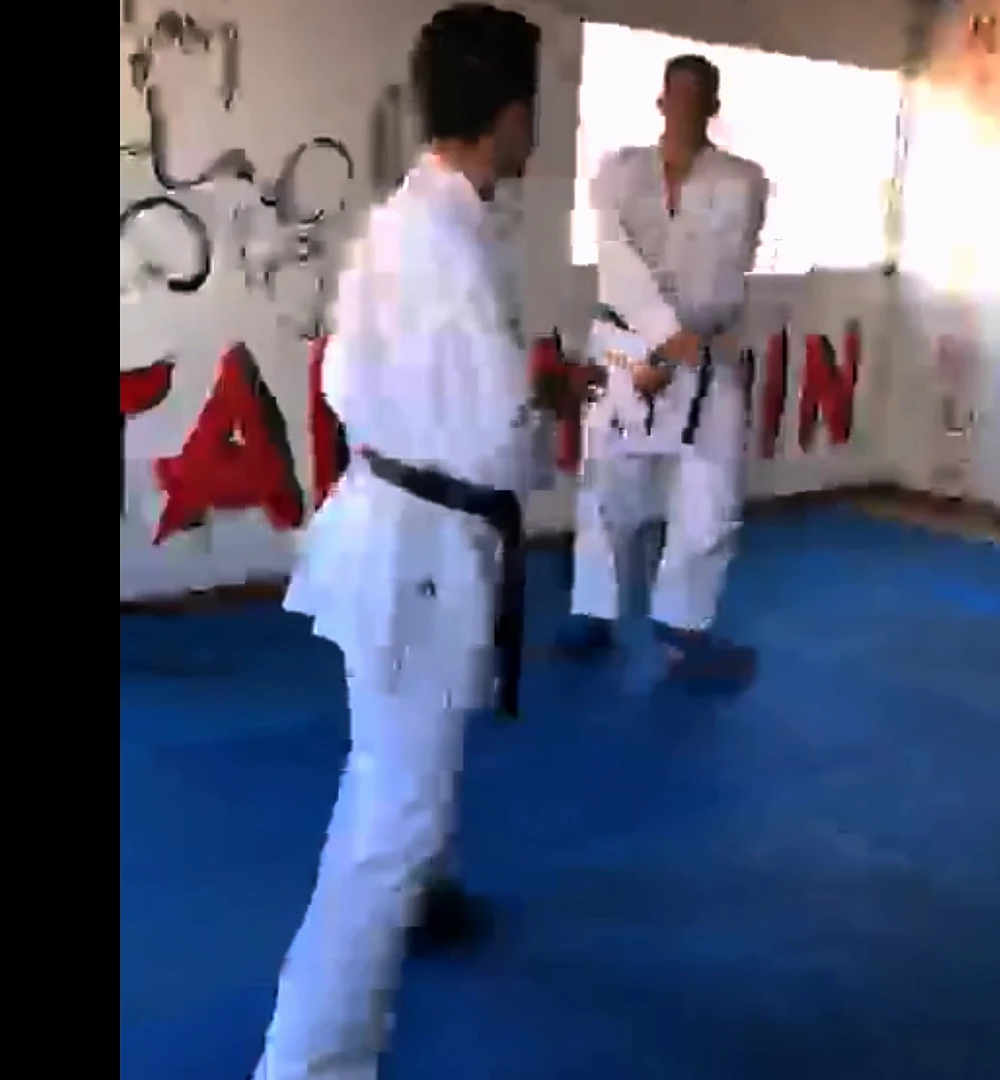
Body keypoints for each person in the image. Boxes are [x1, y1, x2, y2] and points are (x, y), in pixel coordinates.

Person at [252, 5, 549, 1078]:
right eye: (533, 107)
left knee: (392, 776)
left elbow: (347, 375)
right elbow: (498, 441)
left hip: (386, 523)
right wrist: (539, 414)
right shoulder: (450, 245)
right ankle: (306, 1064)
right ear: (510, 113)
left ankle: (424, 895)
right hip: (421, 552)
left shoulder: (404, 216)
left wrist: (486, 405)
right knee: (390, 824)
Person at [554, 54, 770, 687]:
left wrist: (677, 346)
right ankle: (593, 611)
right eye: (676, 95)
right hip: (625, 346)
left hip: (706, 347)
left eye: (697, 97)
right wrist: (658, 339)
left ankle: (684, 622)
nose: (684, 107)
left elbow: (723, 272)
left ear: (713, 106)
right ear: (660, 101)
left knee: (712, 492)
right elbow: (615, 258)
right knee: (606, 487)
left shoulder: (742, 181)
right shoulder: (618, 173)